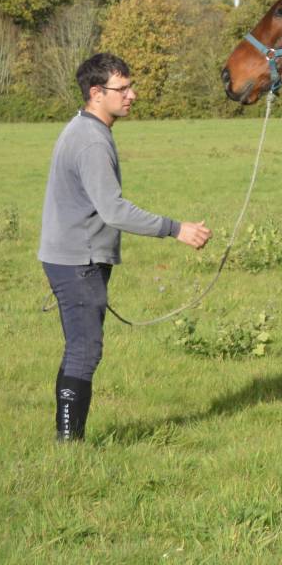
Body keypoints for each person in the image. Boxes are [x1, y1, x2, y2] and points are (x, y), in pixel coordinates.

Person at [39, 53, 211, 442]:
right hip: (77, 259)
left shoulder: (88, 129)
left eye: (131, 86)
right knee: (85, 350)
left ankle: (68, 441)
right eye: (123, 88)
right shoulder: (90, 142)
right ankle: (69, 445)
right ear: (96, 93)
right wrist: (175, 229)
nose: (132, 95)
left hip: (73, 255)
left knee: (82, 347)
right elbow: (114, 210)